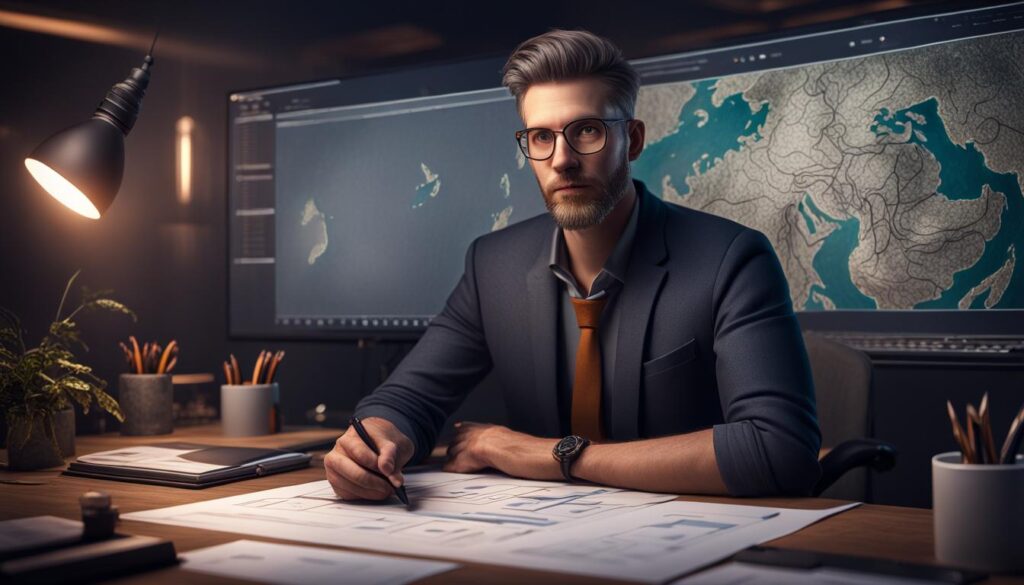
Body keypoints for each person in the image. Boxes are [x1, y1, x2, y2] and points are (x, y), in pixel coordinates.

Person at [324, 29, 820, 500]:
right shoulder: (492, 265)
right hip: (540, 538)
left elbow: (779, 447)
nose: (562, 159)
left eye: (586, 131)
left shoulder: (731, 259)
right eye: (541, 137)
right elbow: (410, 398)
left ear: (635, 139)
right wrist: (375, 440)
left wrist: (545, 454)